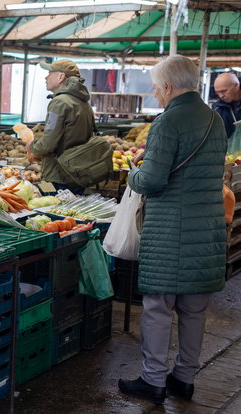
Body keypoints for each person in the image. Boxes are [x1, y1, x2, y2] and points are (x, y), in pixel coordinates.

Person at [118, 55, 227, 405]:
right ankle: (184, 379)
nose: (156, 93)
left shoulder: (168, 122)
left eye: (155, 87)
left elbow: (151, 180)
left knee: (158, 308)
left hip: (171, 232)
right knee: (195, 310)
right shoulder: (214, 119)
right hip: (207, 230)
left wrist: (132, 173)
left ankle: (152, 381)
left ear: (167, 86)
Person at [25, 59, 95, 195]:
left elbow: (48, 143)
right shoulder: (83, 102)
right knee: (69, 214)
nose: (46, 77)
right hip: (77, 173)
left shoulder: (60, 102)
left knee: (53, 211)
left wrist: (32, 146)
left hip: (58, 177)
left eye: (50, 73)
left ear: (61, 77)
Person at [212, 72, 241, 138]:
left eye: (224, 91)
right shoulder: (217, 109)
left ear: (236, 85)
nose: (221, 95)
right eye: (217, 92)